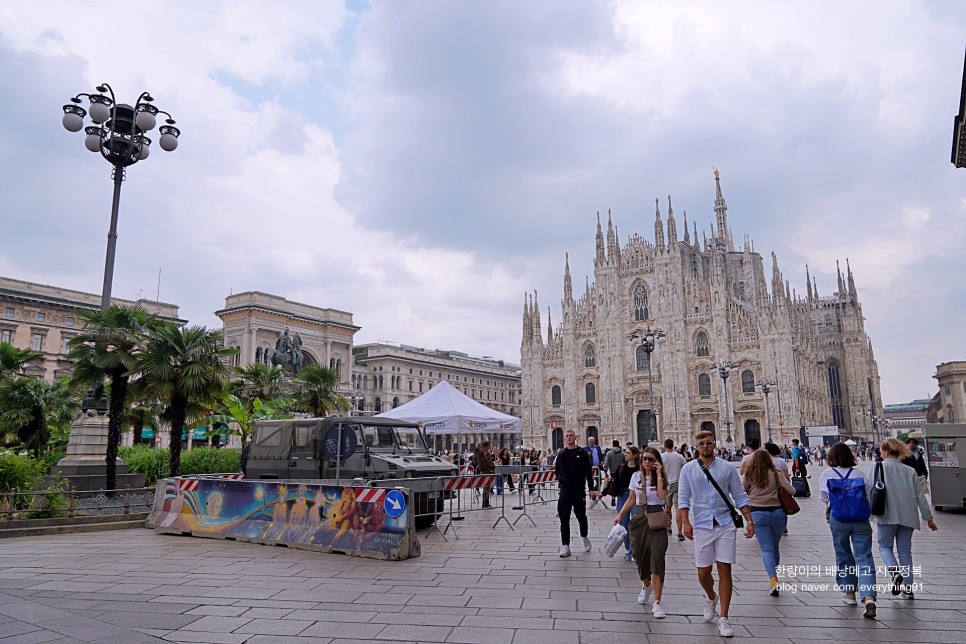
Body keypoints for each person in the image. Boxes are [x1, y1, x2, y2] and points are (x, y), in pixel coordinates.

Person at [678, 431, 754, 638]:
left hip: (725, 524)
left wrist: (749, 520)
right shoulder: (688, 469)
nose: (705, 447)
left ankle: (724, 617)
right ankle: (711, 596)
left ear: (714, 444)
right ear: (696, 446)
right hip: (702, 525)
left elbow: (739, 495)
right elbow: (683, 499)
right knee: (703, 573)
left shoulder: (727, 468)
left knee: (724, 568)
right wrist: (685, 522)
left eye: (709, 443)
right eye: (701, 444)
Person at [872, 438, 938, 599]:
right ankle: (908, 589)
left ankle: (894, 572)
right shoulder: (910, 471)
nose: (880, 453)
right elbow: (920, 497)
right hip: (908, 516)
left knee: (885, 546)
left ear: (887, 451)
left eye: (881, 450)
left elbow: (869, 491)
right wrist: (928, 518)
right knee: (905, 551)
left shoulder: (878, 467)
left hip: (886, 515)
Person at [819, 442, 877, 618]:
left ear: (831, 457)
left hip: (839, 519)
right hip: (860, 519)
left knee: (843, 554)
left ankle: (849, 593)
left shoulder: (827, 474)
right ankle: (868, 596)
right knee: (864, 556)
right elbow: (868, 496)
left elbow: (824, 497)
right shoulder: (859, 473)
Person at [616, 446, 670, 618]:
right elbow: (632, 499)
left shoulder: (662, 477)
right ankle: (646, 585)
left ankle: (657, 602)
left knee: (657, 558)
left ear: (657, 461)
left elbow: (662, 496)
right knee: (640, 557)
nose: (647, 462)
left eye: (651, 459)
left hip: (657, 518)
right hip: (639, 518)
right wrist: (620, 515)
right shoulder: (635, 477)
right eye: (645, 458)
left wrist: (660, 474)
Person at [743, 450, 796, 596]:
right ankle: (774, 577)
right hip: (778, 514)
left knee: (767, 549)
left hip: (759, 514)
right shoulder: (776, 473)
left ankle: (773, 579)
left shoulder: (749, 475)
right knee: (774, 547)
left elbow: (743, 491)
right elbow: (792, 491)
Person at [554, 429, 602, 557]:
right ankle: (565, 546)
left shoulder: (582, 453)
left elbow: (588, 473)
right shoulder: (561, 455)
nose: (569, 438)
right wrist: (562, 479)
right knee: (564, 517)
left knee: (581, 516)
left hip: (578, 491)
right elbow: (557, 471)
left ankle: (584, 536)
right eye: (567, 436)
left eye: (571, 436)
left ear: (575, 437)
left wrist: (591, 489)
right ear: (564, 439)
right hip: (565, 491)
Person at [613, 445, 640, 561]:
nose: (625, 454)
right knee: (623, 523)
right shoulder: (622, 468)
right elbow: (614, 483)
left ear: (634, 455)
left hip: (634, 496)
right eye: (626, 452)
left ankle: (632, 552)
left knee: (633, 524)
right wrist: (602, 493)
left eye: (628, 453)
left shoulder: (640, 469)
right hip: (623, 495)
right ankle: (628, 546)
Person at [662, 439, 687, 541]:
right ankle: (680, 532)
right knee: (677, 508)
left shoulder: (661, 457)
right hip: (678, 484)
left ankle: (668, 527)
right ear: (673, 446)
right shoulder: (679, 456)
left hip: (667, 484)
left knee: (668, 508)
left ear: (664, 446)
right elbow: (685, 468)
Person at [603, 440, 626, 507]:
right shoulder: (622, 454)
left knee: (613, 485)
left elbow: (606, 463)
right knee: (620, 485)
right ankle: (619, 498)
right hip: (620, 472)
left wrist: (605, 471)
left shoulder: (609, 453)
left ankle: (613, 498)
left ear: (612, 445)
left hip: (612, 472)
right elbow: (625, 463)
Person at [475, 441, 495, 508]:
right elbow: (489, 462)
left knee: (485, 488)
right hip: (487, 471)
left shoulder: (480, 453)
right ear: (486, 447)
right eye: (488, 446)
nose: (489, 447)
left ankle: (485, 503)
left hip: (482, 471)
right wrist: (493, 465)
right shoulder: (486, 454)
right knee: (487, 488)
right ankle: (485, 503)